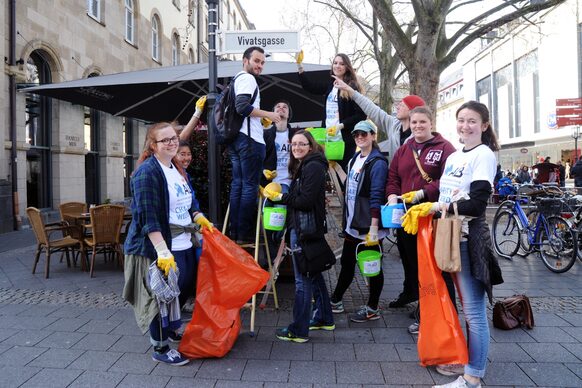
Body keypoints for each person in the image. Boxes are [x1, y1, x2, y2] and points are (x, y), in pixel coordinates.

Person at [403, 101, 504, 388]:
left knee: (473, 311)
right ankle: (469, 368)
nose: (465, 126)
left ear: (484, 126)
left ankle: (473, 377)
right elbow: (451, 195)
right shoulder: (456, 155)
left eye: (472, 121)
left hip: (468, 238)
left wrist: (439, 206)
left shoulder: (484, 155)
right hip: (449, 234)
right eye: (461, 120)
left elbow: (478, 203)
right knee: (465, 306)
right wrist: (428, 205)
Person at [122, 122, 214, 366]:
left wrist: (198, 216)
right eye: (166, 140)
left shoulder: (176, 168)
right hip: (159, 246)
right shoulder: (147, 173)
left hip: (184, 242)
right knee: (161, 298)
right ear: (153, 146)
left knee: (182, 289)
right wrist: (162, 251)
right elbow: (147, 216)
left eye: (174, 138)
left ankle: (172, 329)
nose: (172, 142)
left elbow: (188, 200)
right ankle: (160, 348)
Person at [266, 130, 334, 342]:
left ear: (310, 146)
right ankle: (324, 318)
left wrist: (281, 197)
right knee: (313, 274)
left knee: (302, 280)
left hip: (304, 231)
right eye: (294, 144)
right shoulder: (308, 164)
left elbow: (304, 201)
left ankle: (298, 330)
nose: (297, 147)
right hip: (306, 229)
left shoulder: (312, 166)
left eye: (301, 144)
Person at [386, 106, 456, 312]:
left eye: (422, 122)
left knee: (426, 261)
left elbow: (448, 180)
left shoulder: (445, 147)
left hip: (430, 212)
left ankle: (427, 302)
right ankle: (410, 292)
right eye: (414, 122)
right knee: (407, 256)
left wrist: (424, 193)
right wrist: (392, 195)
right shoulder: (404, 149)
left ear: (431, 123)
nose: (417, 126)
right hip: (405, 212)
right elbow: (393, 177)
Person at [329, 120, 388, 322]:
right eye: (356, 135)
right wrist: (335, 167)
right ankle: (335, 300)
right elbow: (350, 184)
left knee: (371, 267)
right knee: (347, 263)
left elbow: (377, 195)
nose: (360, 137)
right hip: (353, 225)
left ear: (373, 136)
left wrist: (373, 228)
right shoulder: (355, 159)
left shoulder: (377, 162)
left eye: (364, 134)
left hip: (368, 226)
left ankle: (373, 307)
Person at [228, 46, 281, 244]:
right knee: (249, 186)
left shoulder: (236, 80)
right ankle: (244, 233)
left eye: (262, 62)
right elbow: (242, 107)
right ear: (245, 61)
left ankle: (235, 232)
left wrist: (260, 120)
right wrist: (269, 114)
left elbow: (242, 110)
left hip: (237, 139)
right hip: (249, 142)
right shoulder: (247, 79)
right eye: (256, 61)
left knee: (238, 184)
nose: (259, 65)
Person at [296, 51, 366, 170]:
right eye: (335, 63)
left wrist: (341, 126)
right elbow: (310, 86)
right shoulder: (331, 85)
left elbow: (361, 115)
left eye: (342, 64)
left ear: (347, 68)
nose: (337, 66)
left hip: (344, 139)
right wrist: (299, 65)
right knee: (329, 175)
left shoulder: (352, 87)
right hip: (328, 138)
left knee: (342, 173)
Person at [331, 76, 426, 163]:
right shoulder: (393, 125)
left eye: (401, 105)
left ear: (412, 111)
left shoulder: (421, 138)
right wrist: (348, 89)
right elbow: (372, 109)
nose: (397, 107)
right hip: (395, 179)